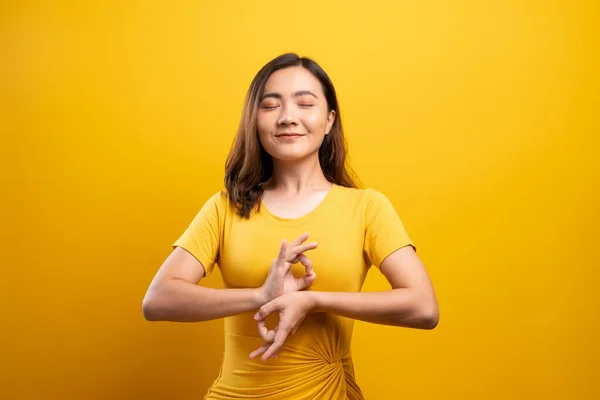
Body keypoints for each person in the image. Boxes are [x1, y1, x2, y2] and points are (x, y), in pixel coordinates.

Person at [142, 53, 439, 400]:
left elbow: (423, 308)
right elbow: (158, 300)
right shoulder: (226, 207)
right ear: (254, 121)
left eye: (305, 103)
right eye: (270, 106)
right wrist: (260, 296)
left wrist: (313, 300)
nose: (287, 117)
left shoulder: (367, 207)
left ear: (329, 120)